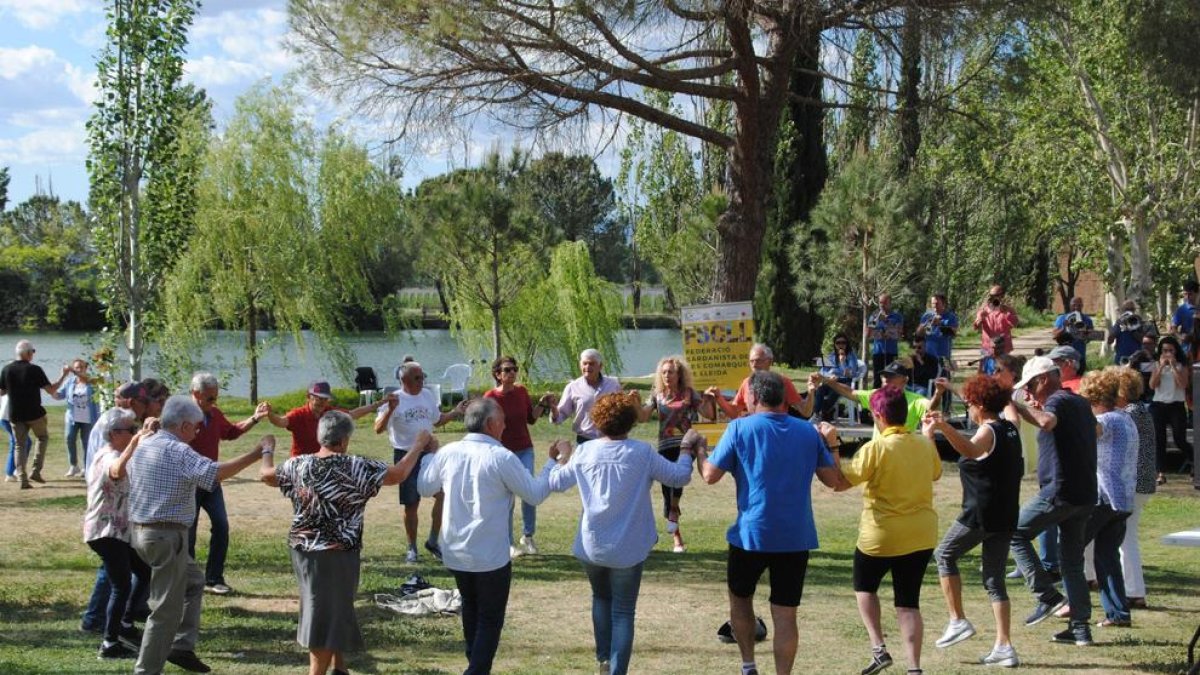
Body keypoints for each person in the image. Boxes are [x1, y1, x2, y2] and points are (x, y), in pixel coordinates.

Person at [260, 410, 436, 675]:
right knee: (324, 613)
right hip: (338, 552)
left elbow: (267, 475)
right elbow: (399, 474)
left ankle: (339, 667)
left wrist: (267, 450)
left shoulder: (298, 465)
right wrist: (419, 445)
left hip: (304, 552)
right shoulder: (357, 467)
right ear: (343, 440)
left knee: (334, 605)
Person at [698, 371, 845, 675]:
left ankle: (748, 664)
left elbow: (709, 475)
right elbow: (834, 481)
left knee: (740, 601)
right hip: (796, 536)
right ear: (785, 399)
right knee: (785, 616)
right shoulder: (807, 432)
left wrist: (698, 450)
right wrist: (832, 444)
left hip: (750, 535)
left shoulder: (739, 428)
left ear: (752, 398)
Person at [127, 395, 274, 675]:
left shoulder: (146, 444)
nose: (197, 432)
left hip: (144, 534)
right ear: (182, 426)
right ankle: (146, 670)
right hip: (167, 537)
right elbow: (214, 474)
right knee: (164, 612)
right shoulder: (178, 451)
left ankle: (182, 647)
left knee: (194, 582)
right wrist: (257, 453)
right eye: (195, 427)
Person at [549, 392, 695, 674]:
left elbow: (556, 482)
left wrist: (561, 457)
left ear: (598, 421)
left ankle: (604, 659)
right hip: (628, 547)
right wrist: (687, 450)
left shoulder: (585, 452)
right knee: (623, 612)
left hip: (592, 544)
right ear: (630, 422)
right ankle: (617, 670)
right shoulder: (641, 452)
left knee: (600, 598)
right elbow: (680, 476)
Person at [417, 398, 558, 675]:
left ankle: (475, 664)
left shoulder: (449, 452)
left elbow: (424, 486)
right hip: (490, 555)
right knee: (490, 618)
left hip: (457, 551)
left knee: (471, 609)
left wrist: (430, 456)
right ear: (492, 424)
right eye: (503, 420)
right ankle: (476, 670)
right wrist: (552, 463)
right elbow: (535, 493)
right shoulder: (501, 456)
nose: (506, 425)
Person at [834, 387, 942, 675]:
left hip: (881, 535)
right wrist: (929, 436)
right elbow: (936, 473)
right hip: (921, 534)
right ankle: (914, 668)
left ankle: (879, 647)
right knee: (908, 602)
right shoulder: (922, 444)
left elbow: (840, 482)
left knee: (864, 587)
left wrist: (832, 446)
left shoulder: (875, 448)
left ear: (878, 416)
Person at [922, 376, 1023, 667]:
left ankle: (958, 620)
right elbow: (1009, 405)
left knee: (944, 555)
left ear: (979, 405)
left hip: (981, 514)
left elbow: (971, 450)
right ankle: (1004, 646)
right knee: (994, 580)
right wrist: (956, 389)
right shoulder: (1011, 426)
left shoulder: (988, 430)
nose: (968, 408)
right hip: (1006, 515)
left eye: (969, 404)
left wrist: (943, 427)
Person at [1007, 356, 1097, 647]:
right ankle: (1080, 629)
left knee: (1014, 531)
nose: (1029, 394)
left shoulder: (1057, 401)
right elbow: (1098, 430)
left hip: (1060, 491)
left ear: (1044, 378)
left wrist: (1018, 407)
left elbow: (1046, 422)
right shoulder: (1080, 402)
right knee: (1071, 561)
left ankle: (1047, 596)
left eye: (1030, 387)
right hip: (1084, 493)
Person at [187, 373, 271, 595]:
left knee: (222, 527)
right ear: (195, 394)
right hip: (188, 484)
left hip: (212, 480)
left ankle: (214, 579)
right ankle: (187, 581)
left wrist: (254, 418)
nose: (214, 403)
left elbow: (230, 432)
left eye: (215, 398)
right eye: (210, 399)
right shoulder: (182, 418)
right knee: (189, 533)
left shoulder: (213, 414)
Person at [375, 362, 466, 564]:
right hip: (406, 456)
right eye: (417, 377)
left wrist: (455, 412)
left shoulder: (426, 395)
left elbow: (437, 419)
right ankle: (412, 548)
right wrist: (390, 410)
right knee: (411, 504)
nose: (422, 380)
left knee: (443, 495)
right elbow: (378, 428)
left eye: (422, 376)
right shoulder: (395, 399)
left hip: (429, 454)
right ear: (404, 380)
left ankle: (433, 541)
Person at [80, 380, 152, 635]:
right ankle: (109, 638)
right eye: (128, 430)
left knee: (143, 572)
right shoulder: (110, 455)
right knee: (119, 584)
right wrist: (137, 440)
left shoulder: (117, 450)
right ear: (113, 434)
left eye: (134, 429)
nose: (133, 433)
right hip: (106, 531)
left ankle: (124, 622)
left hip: (119, 531)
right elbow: (116, 470)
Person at [1077, 368, 1138, 628]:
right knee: (1106, 556)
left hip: (1104, 498)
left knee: (1069, 548)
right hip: (1122, 500)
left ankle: (1073, 604)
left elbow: (1085, 435)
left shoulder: (1108, 421)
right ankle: (1118, 613)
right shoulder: (1126, 418)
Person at [639, 355, 712, 553]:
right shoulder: (657, 394)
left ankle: (674, 509)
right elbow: (643, 417)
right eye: (663, 372)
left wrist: (708, 399)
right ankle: (676, 537)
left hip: (685, 443)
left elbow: (708, 414)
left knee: (677, 481)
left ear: (679, 374)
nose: (667, 376)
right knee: (666, 490)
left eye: (670, 372)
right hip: (664, 444)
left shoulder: (689, 393)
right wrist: (634, 403)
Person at [482, 356, 550, 557]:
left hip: (524, 449)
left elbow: (531, 419)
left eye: (514, 369)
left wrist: (542, 404)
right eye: (507, 370)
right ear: (498, 375)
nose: (512, 373)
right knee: (507, 498)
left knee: (529, 492)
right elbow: (484, 426)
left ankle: (528, 536)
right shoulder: (490, 397)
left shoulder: (521, 392)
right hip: (502, 453)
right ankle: (508, 542)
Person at [0, 340, 69, 489]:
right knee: (42, 438)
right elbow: (51, 390)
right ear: (27, 353)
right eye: (32, 352)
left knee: (19, 445)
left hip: (15, 414)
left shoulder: (6, 370)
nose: (33, 354)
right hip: (34, 413)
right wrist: (63, 376)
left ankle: (22, 478)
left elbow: (2, 392)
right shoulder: (35, 370)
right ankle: (36, 471)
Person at [1114, 367, 1155, 609]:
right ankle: (1131, 589)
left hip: (1134, 483)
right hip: (1143, 482)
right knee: (1126, 537)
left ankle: (1134, 591)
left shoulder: (1129, 413)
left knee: (1126, 538)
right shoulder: (1141, 410)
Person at [817, 361, 939, 438]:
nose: (886, 379)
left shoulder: (915, 400)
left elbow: (931, 408)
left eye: (892, 376)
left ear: (905, 380)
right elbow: (850, 392)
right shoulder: (876, 395)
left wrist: (938, 393)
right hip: (878, 452)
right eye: (885, 375)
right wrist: (826, 380)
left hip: (902, 454)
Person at [265, 380, 377, 458]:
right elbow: (280, 422)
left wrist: (376, 405)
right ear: (309, 397)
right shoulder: (298, 414)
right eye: (318, 398)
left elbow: (353, 414)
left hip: (323, 460)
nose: (322, 402)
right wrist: (270, 414)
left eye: (325, 398)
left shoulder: (330, 412)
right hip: (300, 462)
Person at [706, 343, 814, 420]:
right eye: (751, 361)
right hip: (755, 434)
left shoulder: (782, 382)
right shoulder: (746, 383)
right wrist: (719, 398)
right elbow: (734, 413)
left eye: (758, 360)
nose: (754, 365)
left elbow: (805, 411)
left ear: (770, 361)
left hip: (777, 433)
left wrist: (811, 392)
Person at [551, 348, 623, 443]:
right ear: (580, 365)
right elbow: (562, 414)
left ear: (600, 366)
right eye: (584, 363)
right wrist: (554, 412)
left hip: (610, 439)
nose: (587, 367)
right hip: (585, 439)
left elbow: (622, 410)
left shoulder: (613, 384)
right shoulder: (573, 387)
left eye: (591, 364)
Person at [1148, 335, 1192, 485]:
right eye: (1164, 350)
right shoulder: (1156, 364)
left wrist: (1173, 366)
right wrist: (1160, 367)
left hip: (1176, 405)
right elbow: (1152, 386)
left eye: (1170, 350)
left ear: (1175, 351)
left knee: (1179, 438)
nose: (1167, 353)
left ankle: (1195, 460)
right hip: (1158, 405)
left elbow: (1183, 385)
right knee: (1159, 439)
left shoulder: (1181, 365)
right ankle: (1160, 472)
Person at [55, 358, 98, 477]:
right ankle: (74, 466)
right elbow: (59, 395)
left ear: (86, 368)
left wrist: (72, 370)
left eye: (81, 367)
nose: (79, 369)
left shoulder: (92, 381)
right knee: (69, 438)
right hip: (72, 417)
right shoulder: (70, 381)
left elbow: (87, 379)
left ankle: (86, 467)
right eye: (76, 367)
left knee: (87, 442)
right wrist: (51, 390)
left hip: (88, 418)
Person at [812, 333, 862, 422]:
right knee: (820, 389)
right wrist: (830, 375)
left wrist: (842, 362)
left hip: (845, 381)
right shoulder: (831, 356)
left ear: (847, 344)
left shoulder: (851, 356)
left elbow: (852, 373)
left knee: (834, 392)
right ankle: (816, 414)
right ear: (835, 344)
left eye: (843, 343)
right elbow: (822, 371)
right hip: (832, 380)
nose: (841, 345)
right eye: (838, 343)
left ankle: (824, 412)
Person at [973, 284, 1018, 374]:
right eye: (992, 295)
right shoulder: (984, 310)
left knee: (1002, 372)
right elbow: (975, 327)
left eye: (997, 295)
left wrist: (1005, 312)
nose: (994, 298)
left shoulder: (1008, 310)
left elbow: (1015, 324)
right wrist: (980, 319)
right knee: (983, 371)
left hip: (1003, 347)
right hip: (987, 347)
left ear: (1002, 296)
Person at [870, 293, 905, 388]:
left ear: (890, 303)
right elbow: (869, 333)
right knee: (877, 379)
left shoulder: (897, 316)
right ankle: (875, 401)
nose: (882, 305)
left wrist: (886, 322)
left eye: (885, 303)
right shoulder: (874, 315)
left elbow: (899, 333)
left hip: (891, 352)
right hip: (878, 352)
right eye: (880, 302)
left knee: (891, 378)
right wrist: (879, 333)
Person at [1053, 297, 1095, 373]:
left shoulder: (1087, 320)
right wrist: (1064, 327)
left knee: (1078, 381)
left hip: (1080, 356)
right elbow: (1055, 336)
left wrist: (1085, 334)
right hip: (1063, 358)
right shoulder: (1062, 318)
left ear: (1082, 306)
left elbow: (1090, 338)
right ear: (1070, 305)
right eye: (1074, 305)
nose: (1076, 307)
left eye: (1079, 305)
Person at [917, 293, 959, 363]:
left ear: (944, 304)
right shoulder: (927, 315)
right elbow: (919, 333)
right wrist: (929, 324)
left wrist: (940, 324)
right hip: (928, 352)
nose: (935, 306)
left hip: (943, 352)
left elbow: (953, 333)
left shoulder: (951, 316)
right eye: (933, 304)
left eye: (937, 304)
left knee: (943, 373)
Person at [1107, 300, 1146, 365]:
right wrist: (1117, 326)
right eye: (1127, 309)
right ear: (1123, 310)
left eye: (1132, 309)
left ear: (1134, 310)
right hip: (1121, 358)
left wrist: (1132, 328)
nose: (1129, 311)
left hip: (1136, 358)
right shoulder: (1119, 322)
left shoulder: (1138, 320)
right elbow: (1109, 341)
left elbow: (1143, 340)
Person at [2, 392, 30, 481]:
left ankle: (12, 471)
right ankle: (13, 472)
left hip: (7, 418)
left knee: (16, 442)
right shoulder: (14, 387)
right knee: (24, 442)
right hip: (8, 419)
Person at [1171, 279, 1198, 355]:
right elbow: (1173, 328)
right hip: (1187, 349)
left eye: (1190, 294)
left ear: (1197, 293)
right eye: (1185, 294)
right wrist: (1180, 337)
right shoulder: (1182, 309)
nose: (1187, 297)